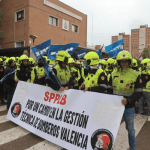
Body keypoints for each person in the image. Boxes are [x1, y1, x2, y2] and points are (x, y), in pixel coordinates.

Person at [107, 50, 143, 150]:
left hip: (129, 107)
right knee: (112, 129)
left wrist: (129, 100)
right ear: (118, 62)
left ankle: (133, 148)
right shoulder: (113, 74)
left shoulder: (135, 74)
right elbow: (109, 90)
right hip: (115, 108)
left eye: (126, 61)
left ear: (129, 62)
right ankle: (110, 147)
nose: (124, 63)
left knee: (130, 130)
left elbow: (139, 92)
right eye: (122, 61)